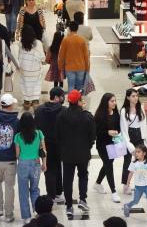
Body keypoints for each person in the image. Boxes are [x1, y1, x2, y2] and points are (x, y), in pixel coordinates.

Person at [56, 89, 96, 217]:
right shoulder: (87, 117)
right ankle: (83, 199)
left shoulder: (61, 116)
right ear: (79, 101)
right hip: (83, 153)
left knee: (67, 179)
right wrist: (87, 147)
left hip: (67, 154)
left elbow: (58, 136)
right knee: (83, 175)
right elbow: (92, 136)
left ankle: (68, 206)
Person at [0, 93, 20, 223]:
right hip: (11, 160)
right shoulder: (16, 122)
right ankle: (9, 214)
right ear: (11, 106)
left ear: (1, 104)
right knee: (9, 187)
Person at [14, 112, 46, 224]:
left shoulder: (18, 136)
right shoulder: (39, 134)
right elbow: (43, 151)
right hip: (35, 164)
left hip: (22, 164)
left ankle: (26, 216)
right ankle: (37, 212)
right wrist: (44, 164)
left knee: (23, 191)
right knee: (34, 189)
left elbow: (17, 154)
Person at [34, 87, 65, 202]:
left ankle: (51, 193)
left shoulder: (39, 110)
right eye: (62, 96)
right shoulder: (63, 110)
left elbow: (36, 128)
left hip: (44, 144)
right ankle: (57, 192)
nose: (63, 98)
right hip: (59, 144)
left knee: (48, 168)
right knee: (58, 166)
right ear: (56, 97)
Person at [120, 88, 147, 193]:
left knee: (144, 161)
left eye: (136, 96)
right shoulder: (124, 110)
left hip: (139, 135)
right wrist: (129, 144)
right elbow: (123, 129)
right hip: (129, 136)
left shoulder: (141, 108)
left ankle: (145, 185)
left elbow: (144, 125)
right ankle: (126, 185)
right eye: (133, 96)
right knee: (127, 161)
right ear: (128, 97)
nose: (135, 98)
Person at [93, 93, 121, 203]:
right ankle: (114, 192)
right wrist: (108, 132)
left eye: (115, 101)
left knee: (107, 164)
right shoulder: (99, 115)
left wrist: (117, 132)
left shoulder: (116, 114)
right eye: (112, 101)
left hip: (113, 143)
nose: (114, 103)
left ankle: (97, 184)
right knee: (109, 166)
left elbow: (119, 128)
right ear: (106, 102)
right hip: (102, 145)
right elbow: (96, 132)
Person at [18, 25, 46, 111]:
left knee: (25, 85)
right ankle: (35, 103)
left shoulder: (21, 43)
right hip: (35, 69)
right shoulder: (38, 43)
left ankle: (26, 103)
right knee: (36, 86)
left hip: (24, 70)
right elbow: (42, 57)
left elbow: (19, 57)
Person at [58, 21, 90, 91]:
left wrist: (60, 67)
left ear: (69, 29)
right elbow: (86, 56)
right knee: (79, 88)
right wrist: (87, 69)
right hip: (81, 67)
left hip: (69, 68)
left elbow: (61, 55)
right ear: (77, 29)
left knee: (71, 86)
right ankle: (77, 100)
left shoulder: (65, 40)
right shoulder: (82, 40)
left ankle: (71, 101)